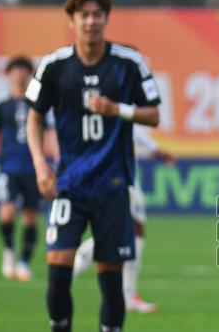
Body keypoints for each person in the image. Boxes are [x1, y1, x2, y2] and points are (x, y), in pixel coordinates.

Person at [25, 0, 162, 332]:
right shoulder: (54, 66)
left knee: (110, 278)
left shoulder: (128, 63)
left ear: (106, 19)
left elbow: (154, 115)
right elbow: (33, 114)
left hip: (113, 187)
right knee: (57, 272)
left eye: (97, 14)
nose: (90, 21)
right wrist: (39, 163)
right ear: (71, 21)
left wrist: (115, 108)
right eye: (83, 15)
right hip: (68, 185)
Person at [72, 124, 175, 313]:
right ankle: (126, 294)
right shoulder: (117, 112)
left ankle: (127, 294)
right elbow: (133, 130)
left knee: (124, 232)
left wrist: (157, 151)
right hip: (121, 181)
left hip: (115, 179)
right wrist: (157, 151)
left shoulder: (102, 116)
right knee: (132, 232)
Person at [0, 56, 56, 281]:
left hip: (33, 167)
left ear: (29, 74)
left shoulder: (39, 101)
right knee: (7, 211)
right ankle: (9, 251)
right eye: (15, 70)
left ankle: (24, 262)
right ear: (9, 75)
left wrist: (58, 160)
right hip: (8, 167)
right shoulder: (0, 103)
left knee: (31, 216)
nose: (20, 74)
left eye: (23, 70)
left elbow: (49, 133)